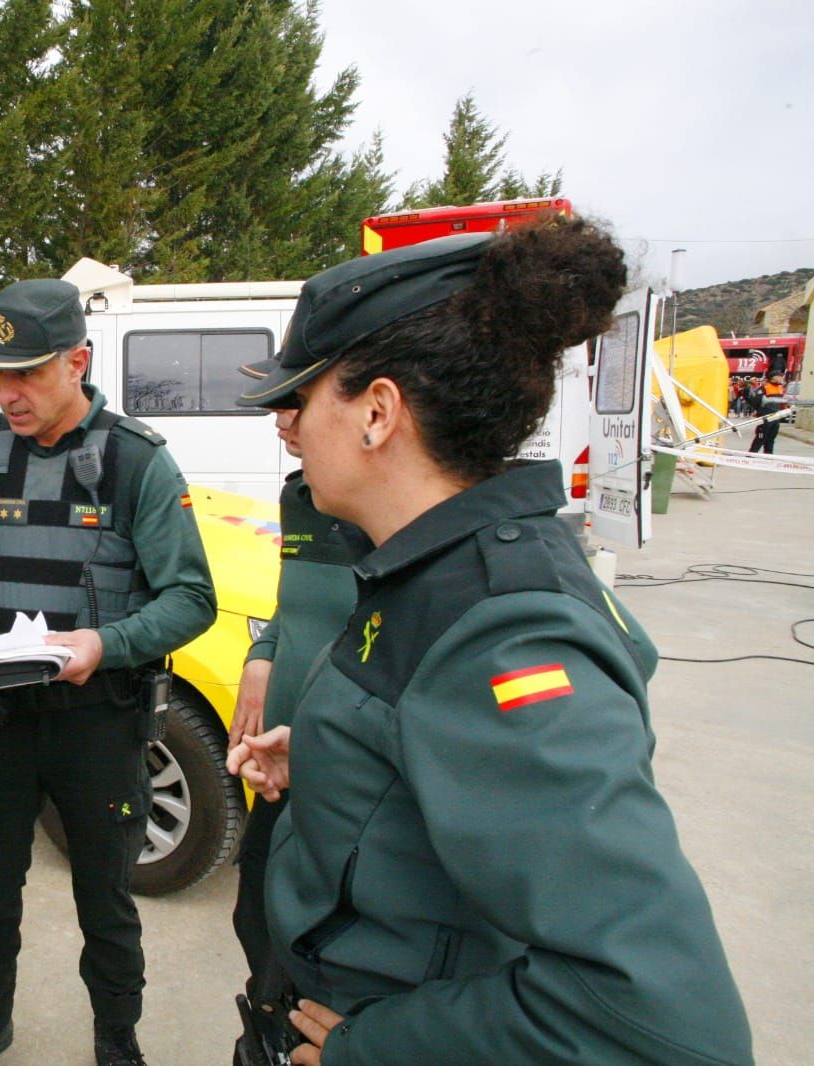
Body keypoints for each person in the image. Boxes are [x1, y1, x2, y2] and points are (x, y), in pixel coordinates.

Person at [227, 222, 752, 1065]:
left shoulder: (505, 633)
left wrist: (384, 1047)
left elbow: (664, 1025)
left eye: (301, 396)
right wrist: (338, 757)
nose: (284, 423)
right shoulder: (428, 567)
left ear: (376, 412)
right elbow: (437, 749)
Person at [0, 279, 217, 1066]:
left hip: (100, 726)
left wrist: (104, 646)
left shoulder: (136, 462)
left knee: (105, 901)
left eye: (28, 374)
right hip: (1, 721)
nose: (7, 393)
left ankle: (117, 1040)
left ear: (77, 361)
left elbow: (192, 598)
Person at [225, 396, 366, 1061]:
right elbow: (296, 609)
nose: (281, 417)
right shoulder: (301, 496)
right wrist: (262, 653)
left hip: (349, 785)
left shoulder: (394, 511)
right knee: (256, 918)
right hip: (283, 768)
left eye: (297, 400)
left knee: (323, 960)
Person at [748, 372, 788, 453]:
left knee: (771, 439)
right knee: (760, 438)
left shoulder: (780, 388)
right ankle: (751, 455)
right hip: (765, 418)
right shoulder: (764, 388)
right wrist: (760, 411)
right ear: (773, 378)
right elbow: (754, 400)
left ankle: (768, 457)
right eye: (779, 376)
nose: (781, 378)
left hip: (776, 418)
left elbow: (781, 402)